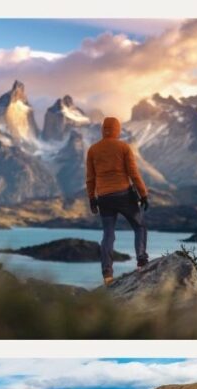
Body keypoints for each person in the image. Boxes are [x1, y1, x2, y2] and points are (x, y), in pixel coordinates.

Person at [86, 116, 149, 286]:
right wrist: (143, 194)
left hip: (104, 198)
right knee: (139, 226)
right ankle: (142, 261)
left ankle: (107, 273)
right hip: (124, 195)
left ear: (103, 130)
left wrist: (92, 198)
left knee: (108, 234)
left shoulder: (93, 150)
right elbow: (134, 174)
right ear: (117, 130)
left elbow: (90, 178)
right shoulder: (123, 147)